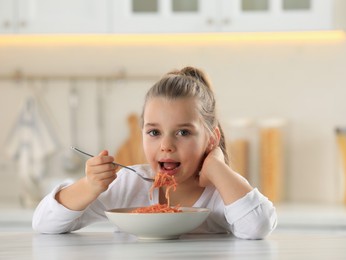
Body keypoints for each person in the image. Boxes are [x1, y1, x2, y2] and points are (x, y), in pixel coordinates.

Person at [32, 66, 277, 239]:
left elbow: (258, 227)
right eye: (154, 132)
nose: (166, 146)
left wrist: (216, 167)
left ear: (211, 138)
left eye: (183, 132)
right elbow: (44, 224)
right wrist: (89, 185)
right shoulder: (128, 184)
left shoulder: (223, 192)